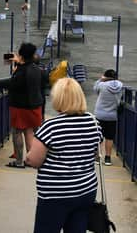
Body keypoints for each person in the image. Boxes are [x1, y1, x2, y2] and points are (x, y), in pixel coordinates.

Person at [26, 78, 103, 233]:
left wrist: (27, 157)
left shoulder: (51, 126)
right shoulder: (93, 122)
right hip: (86, 190)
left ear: (58, 98)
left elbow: (34, 161)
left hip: (56, 194)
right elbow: (95, 154)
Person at [0, 43, 43, 168]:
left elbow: (12, 83)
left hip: (21, 107)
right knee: (29, 132)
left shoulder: (22, 71)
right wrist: (18, 63)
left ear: (22, 56)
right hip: (35, 106)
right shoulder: (35, 69)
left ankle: (18, 162)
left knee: (17, 132)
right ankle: (30, 159)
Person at [94, 69, 123, 166]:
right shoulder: (120, 85)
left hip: (100, 114)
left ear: (105, 76)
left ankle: (98, 157)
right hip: (112, 115)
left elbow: (95, 89)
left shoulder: (102, 85)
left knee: (99, 136)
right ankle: (108, 158)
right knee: (109, 138)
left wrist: (100, 79)